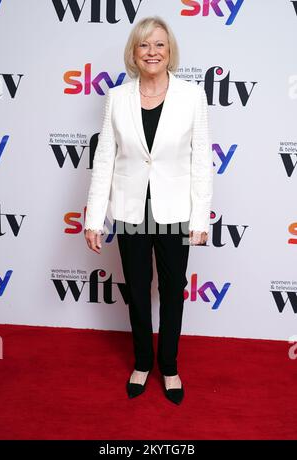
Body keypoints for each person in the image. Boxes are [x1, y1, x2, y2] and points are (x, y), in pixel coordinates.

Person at [84, 16, 213, 405]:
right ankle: (142, 362)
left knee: (173, 292)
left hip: (175, 211)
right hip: (129, 210)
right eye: (144, 45)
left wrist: (200, 217)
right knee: (138, 292)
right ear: (134, 53)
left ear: (170, 51)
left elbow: (201, 160)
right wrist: (93, 218)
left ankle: (169, 367)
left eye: (159, 44)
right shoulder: (117, 98)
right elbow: (105, 158)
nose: (152, 52)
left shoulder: (192, 96)